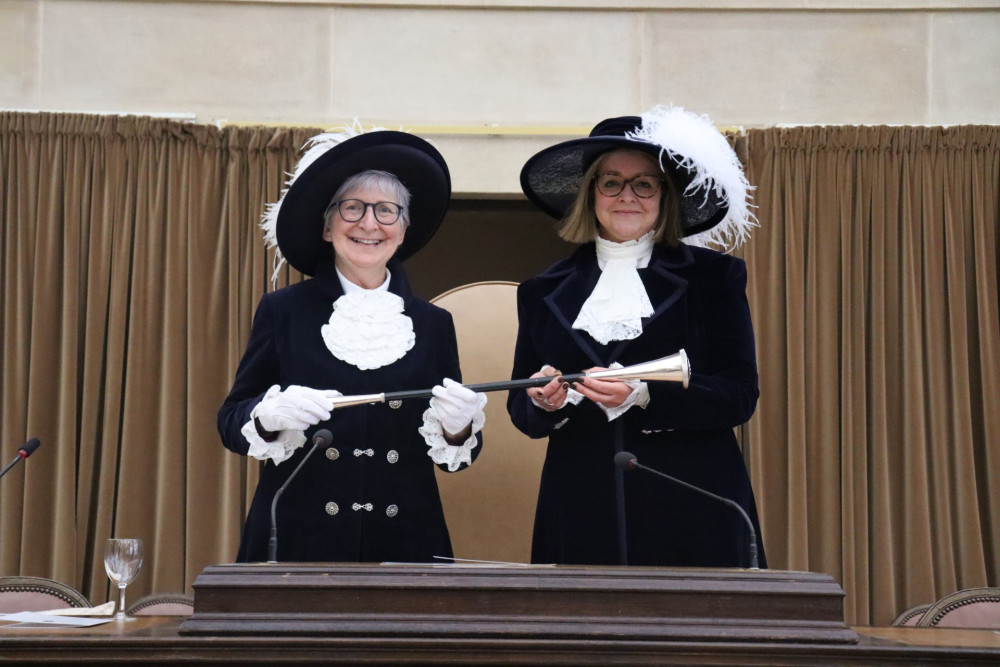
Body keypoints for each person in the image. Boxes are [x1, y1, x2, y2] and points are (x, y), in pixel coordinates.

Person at [508, 105, 766, 568]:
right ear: (591, 194)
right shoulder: (541, 291)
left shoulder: (714, 278)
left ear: (665, 196)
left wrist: (645, 395)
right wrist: (543, 403)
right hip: (581, 506)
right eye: (611, 182)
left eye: (644, 183)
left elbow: (739, 396)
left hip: (692, 504)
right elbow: (522, 412)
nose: (627, 196)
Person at [218, 126, 486, 563]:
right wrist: (266, 416)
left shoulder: (435, 324)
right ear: (327, 228)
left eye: (386, 211)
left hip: (406, 541)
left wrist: (459, 428)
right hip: (301, 538)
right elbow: (231, 422)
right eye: (352, 208)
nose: (369, 223)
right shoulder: (283, 310)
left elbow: (457, 458)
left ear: (402, 230)